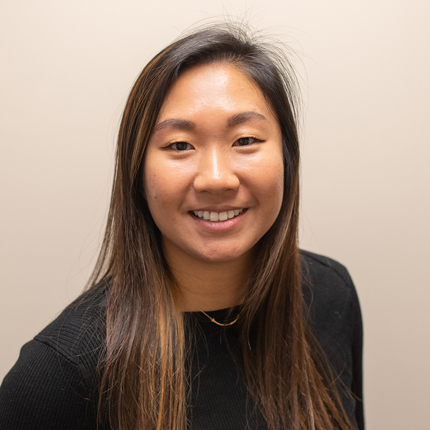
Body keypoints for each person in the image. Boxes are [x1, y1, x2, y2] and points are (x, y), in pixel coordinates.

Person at [0, 23, 364, 430]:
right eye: (179, 146)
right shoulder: (59, 373)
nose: (215, 178)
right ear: (136, 172)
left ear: (287, 158)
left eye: (245, 140)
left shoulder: (329, 295)